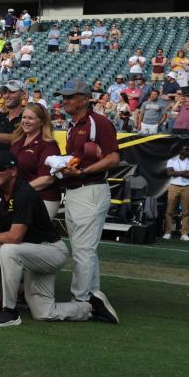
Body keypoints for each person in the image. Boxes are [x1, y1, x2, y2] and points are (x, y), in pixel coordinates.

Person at [0, 152, 117, 326]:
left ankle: (9, 311)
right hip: (29, 252)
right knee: (44, 312)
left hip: (50, 251)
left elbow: (15, 237)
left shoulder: (24, 193)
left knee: (8, 249)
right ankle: (89, 308)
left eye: (0, 169)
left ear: (14, 171)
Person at [55, 79, 120, 307]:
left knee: (83, 250)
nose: (65, 101)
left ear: (85, 99)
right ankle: (92, 296)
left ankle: (80, 299)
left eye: (70, 97)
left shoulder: (98, 122)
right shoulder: (73, 125)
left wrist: (82, 172)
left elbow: (113, 158)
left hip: (89, 189)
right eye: (64, 97)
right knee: (84, 249)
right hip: (76, 190)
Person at [9, 103, 62, 219]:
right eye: (24, 117)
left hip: (42, 198)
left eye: (31, 118)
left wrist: (19, 190)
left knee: (30, 235)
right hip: (20, 198)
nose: (26, 121)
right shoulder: (17, 141)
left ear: (42, 122)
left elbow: (47, 179)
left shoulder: (48, 145)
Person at [163, 146, 189, 240]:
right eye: (185, 150)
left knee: (185, 212)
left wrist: (176, 172)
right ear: (180, 151)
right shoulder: (172, 161)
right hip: (173, 186)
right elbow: (169, 173)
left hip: (186, 187)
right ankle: (168, 232)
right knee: (169, 211)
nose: (188, 151)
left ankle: (184, 234)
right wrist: (183, 172)